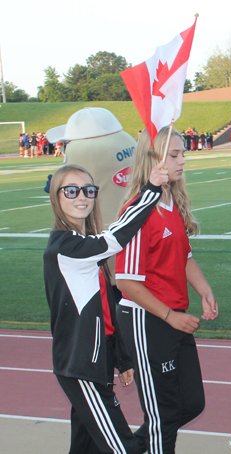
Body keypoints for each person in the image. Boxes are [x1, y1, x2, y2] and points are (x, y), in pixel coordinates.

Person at [44, 162, 169, 454]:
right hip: (81, 367)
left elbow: (105, 306)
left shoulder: (82, 244)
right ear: (56, 197)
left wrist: (122, 358)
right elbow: (116, 238)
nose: (82, 197)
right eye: (71, 190)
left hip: (94, 364)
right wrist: (151, 190)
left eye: (89, 190)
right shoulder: (65, 248)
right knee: (125, 448)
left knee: (86, 446)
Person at [115, 126, 219, 454]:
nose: (182, 161)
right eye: (174, 155)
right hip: (149, 320)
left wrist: (204, 289)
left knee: (191, 403)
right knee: (162, 415)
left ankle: (128, 448)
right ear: (152, 161)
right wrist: (171, 315)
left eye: (183, 153)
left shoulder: (171, 199)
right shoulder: (136, 210)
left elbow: (183, 256)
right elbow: (126, 281)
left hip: (174, 317)